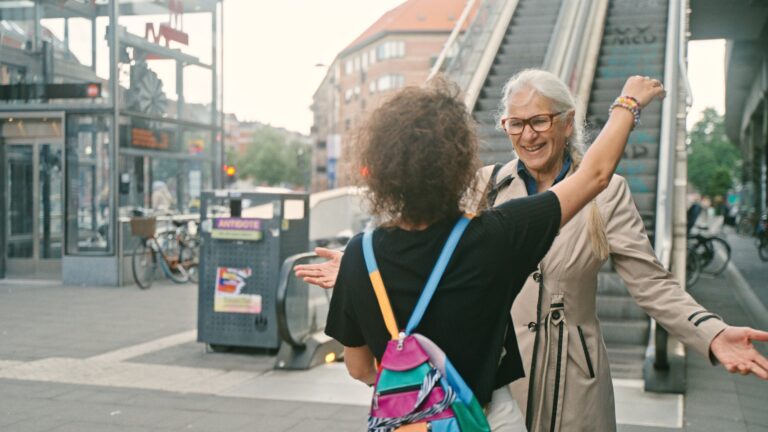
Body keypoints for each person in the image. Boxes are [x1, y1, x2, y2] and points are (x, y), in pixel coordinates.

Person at [297, 69, 768, 431]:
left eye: (539, 121)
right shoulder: (483, 186)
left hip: (575, 379)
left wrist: (710, 332)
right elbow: (439, 257)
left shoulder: (608, 194)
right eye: (515, 124)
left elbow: (651, 282)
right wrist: (363, 277)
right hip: (496, 376)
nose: (527, 135)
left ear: (567, 122)